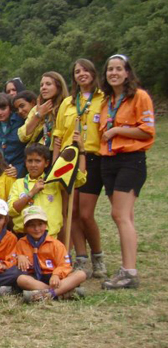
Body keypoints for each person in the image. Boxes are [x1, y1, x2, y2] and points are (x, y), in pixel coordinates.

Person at [98, 54, 154, 289]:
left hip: (130, 159)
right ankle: (126, 268)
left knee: (120, 215)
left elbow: (147, 130)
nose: (113, 73)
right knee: (123, 216)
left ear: (127, 73)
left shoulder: (139, 96)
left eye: (118, 69)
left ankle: (129, 272)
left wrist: (117, 130)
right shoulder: (106, 100)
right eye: (110, 69)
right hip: (108, 160)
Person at [52, 58, 106, 278]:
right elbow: (57, 136)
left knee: (85, 213)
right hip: (68, 160)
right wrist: (55, 163)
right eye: (77, 71)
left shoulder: (103, 98)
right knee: (71, 212)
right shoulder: (68, 102)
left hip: (92, 157)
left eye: (85, 70)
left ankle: (98, 256)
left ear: (93, 73)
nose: (81, 74)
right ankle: (81, 258)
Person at [9, 142, 86, 239]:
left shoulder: (55, 181)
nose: (33, 165)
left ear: (46, 163)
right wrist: (32, 192)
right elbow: (12, 210)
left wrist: (82, 151)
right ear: (25, 162)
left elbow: (80, 179)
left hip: (49, 238)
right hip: (23, 237)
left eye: (38, 161)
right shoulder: (18, 183)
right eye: (30, 161)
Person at [15, 206, 87, 303]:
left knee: (80, 274)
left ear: (46, 225)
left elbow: (65, 265)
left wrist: (56, 275)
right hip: (36, 279)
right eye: (32, 225)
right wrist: (19, 256)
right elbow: (14, 260)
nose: (36, 229)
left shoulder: (56, 244)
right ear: (25, 227)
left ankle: (46, 294)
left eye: (40, 224)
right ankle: (62, 293)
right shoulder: (21, 243)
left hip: (55, 279)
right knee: (21, 279)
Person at [19, 72, 69, 158]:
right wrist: (38, 115)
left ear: (59, 87)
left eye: (48, 84)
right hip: (37, 156)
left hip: (59, 155)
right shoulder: (36, 109)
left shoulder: (67, 107)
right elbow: (23, 136)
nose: (44, 88)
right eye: (41, 85)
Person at [0, 94, 26, 176]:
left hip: (19, 165)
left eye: (3, 109)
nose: (0, 113)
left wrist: (19, 168)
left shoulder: (20, 121)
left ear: (10, 108)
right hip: (1, 166)